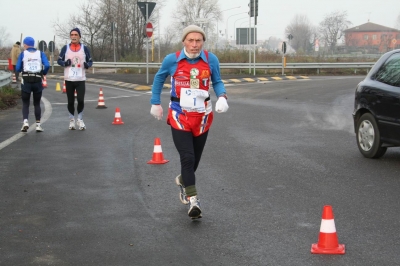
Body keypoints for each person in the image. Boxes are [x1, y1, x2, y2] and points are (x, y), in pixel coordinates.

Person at [150, 25, 229, 219]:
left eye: (198, 41)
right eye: (190, 40)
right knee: (187, 157)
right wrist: (155, 103)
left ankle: (184, 180)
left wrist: (222, 96)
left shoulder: (211, 59)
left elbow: (217, 81)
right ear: (184, 41)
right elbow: (159, 79)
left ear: (203, 42)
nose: (194, 45)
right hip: (179, 115)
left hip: (202, 116)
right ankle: (193, 200)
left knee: (194, 160)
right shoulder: (172, 60)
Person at [57, 27, 93, 130]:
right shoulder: (66, 48)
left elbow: (90, 61)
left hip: (80, 79)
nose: (73, 37)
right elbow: (59, 60)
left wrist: (87, 65)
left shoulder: (84, 48)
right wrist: (64, 63)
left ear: (79, 37)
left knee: (81, 100)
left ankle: (80, 119)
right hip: (69, 79)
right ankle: (72, 120)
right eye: (72, 35)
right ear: (70, 36)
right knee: (70, 101)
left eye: (75, 35)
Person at [15, 37, 50, 132]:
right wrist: (43, 72)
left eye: (24, 44)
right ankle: (38, 124)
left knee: (26, 103)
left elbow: (18, 68)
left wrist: (22, 68)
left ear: (25, 45)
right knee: (37, 103)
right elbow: (47, 65)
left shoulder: (23, 54)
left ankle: (25, 122)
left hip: (26, 80)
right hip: (37, 80)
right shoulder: (40, 53)